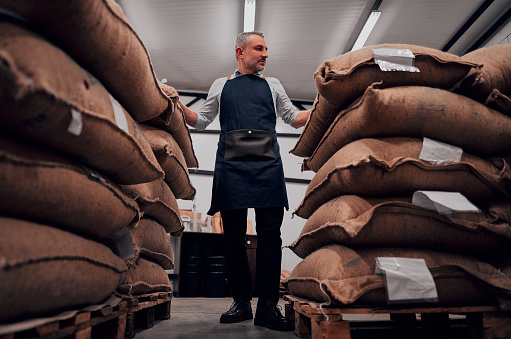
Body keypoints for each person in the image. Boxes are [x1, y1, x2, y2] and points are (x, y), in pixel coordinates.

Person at [179, 31, 311, 331]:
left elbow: (292, 118)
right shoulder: (220, 85)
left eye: (266, 49)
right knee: (233, 238)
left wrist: (322, 108)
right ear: (241, 52)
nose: (265, 54)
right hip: (231, 167)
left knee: (269, 236)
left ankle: (267, 305)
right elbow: (201, 121)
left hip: (268, 167)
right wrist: (176, 104)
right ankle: (240, 302)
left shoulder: (273, 84)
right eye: (259, 48)